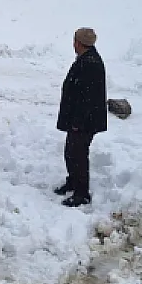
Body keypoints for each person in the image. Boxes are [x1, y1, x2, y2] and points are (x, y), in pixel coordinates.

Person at [54, 27, 107, 207]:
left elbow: (87, 98)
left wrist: (78, 122)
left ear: (78, 43)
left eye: (74, 41)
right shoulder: (86, 59)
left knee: (78, 155)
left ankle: (82, 193)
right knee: (71, 153)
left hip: (84, 121)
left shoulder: (90, 63)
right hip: (79, 119)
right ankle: (73, 182)